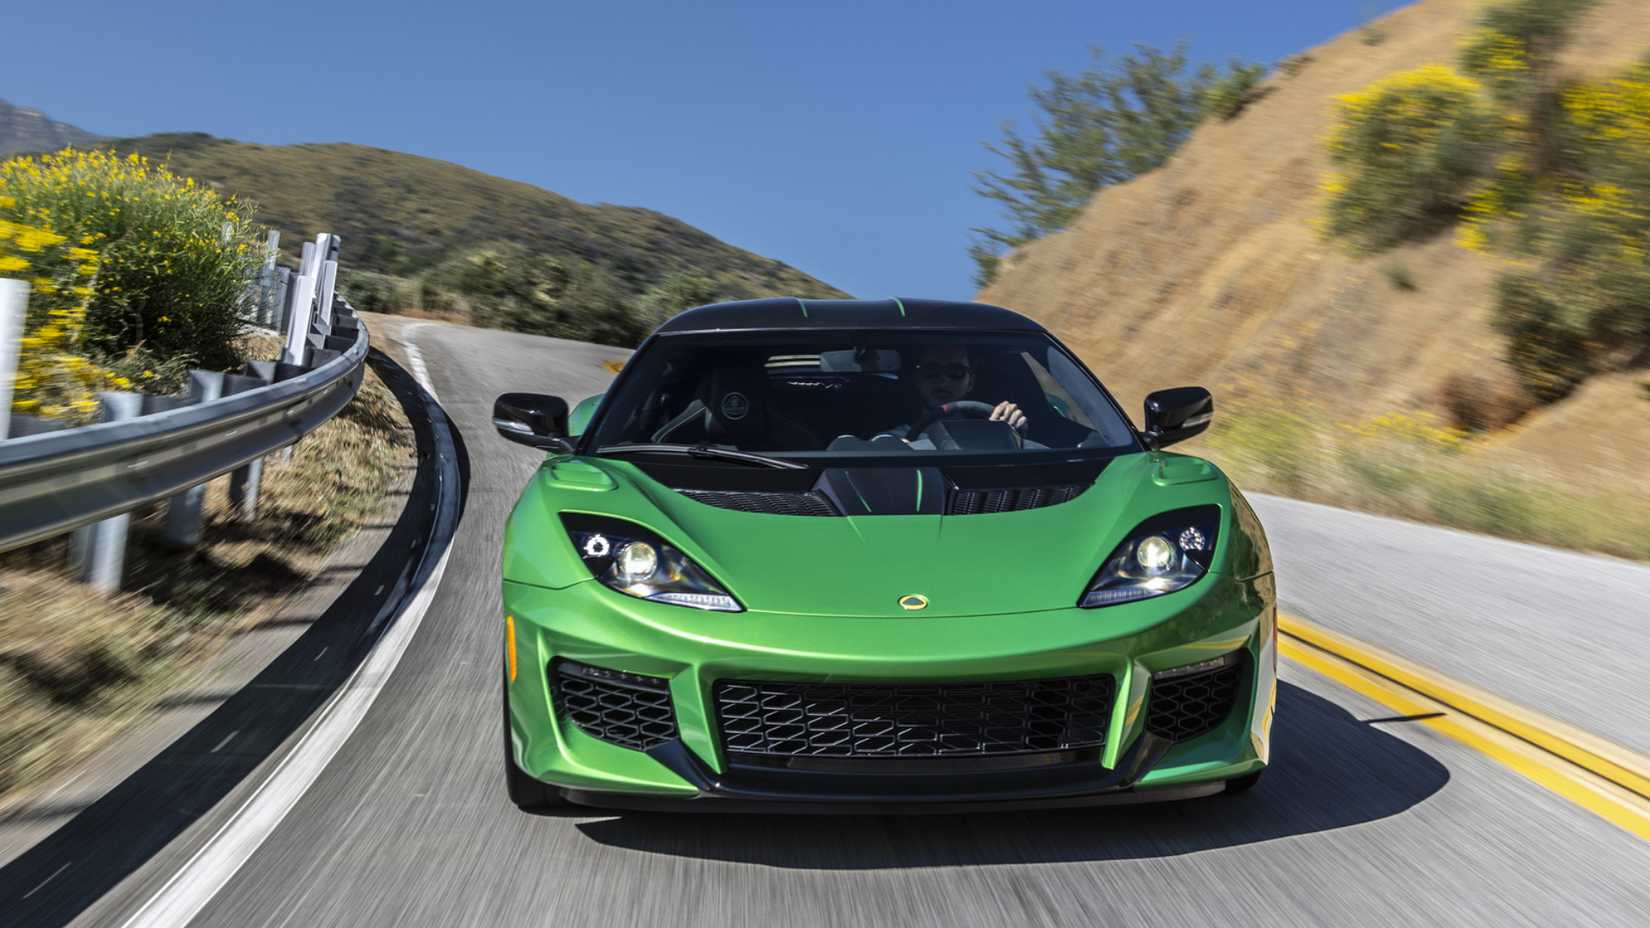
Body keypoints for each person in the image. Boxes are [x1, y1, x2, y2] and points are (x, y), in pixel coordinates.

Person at [906, 344, 1028, 434]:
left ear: (971, 382)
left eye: (956, 372)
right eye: (931, 371)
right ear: (917, 379)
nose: (943, 380)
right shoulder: (894, 440)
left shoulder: (989, 434)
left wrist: (1010, 431)